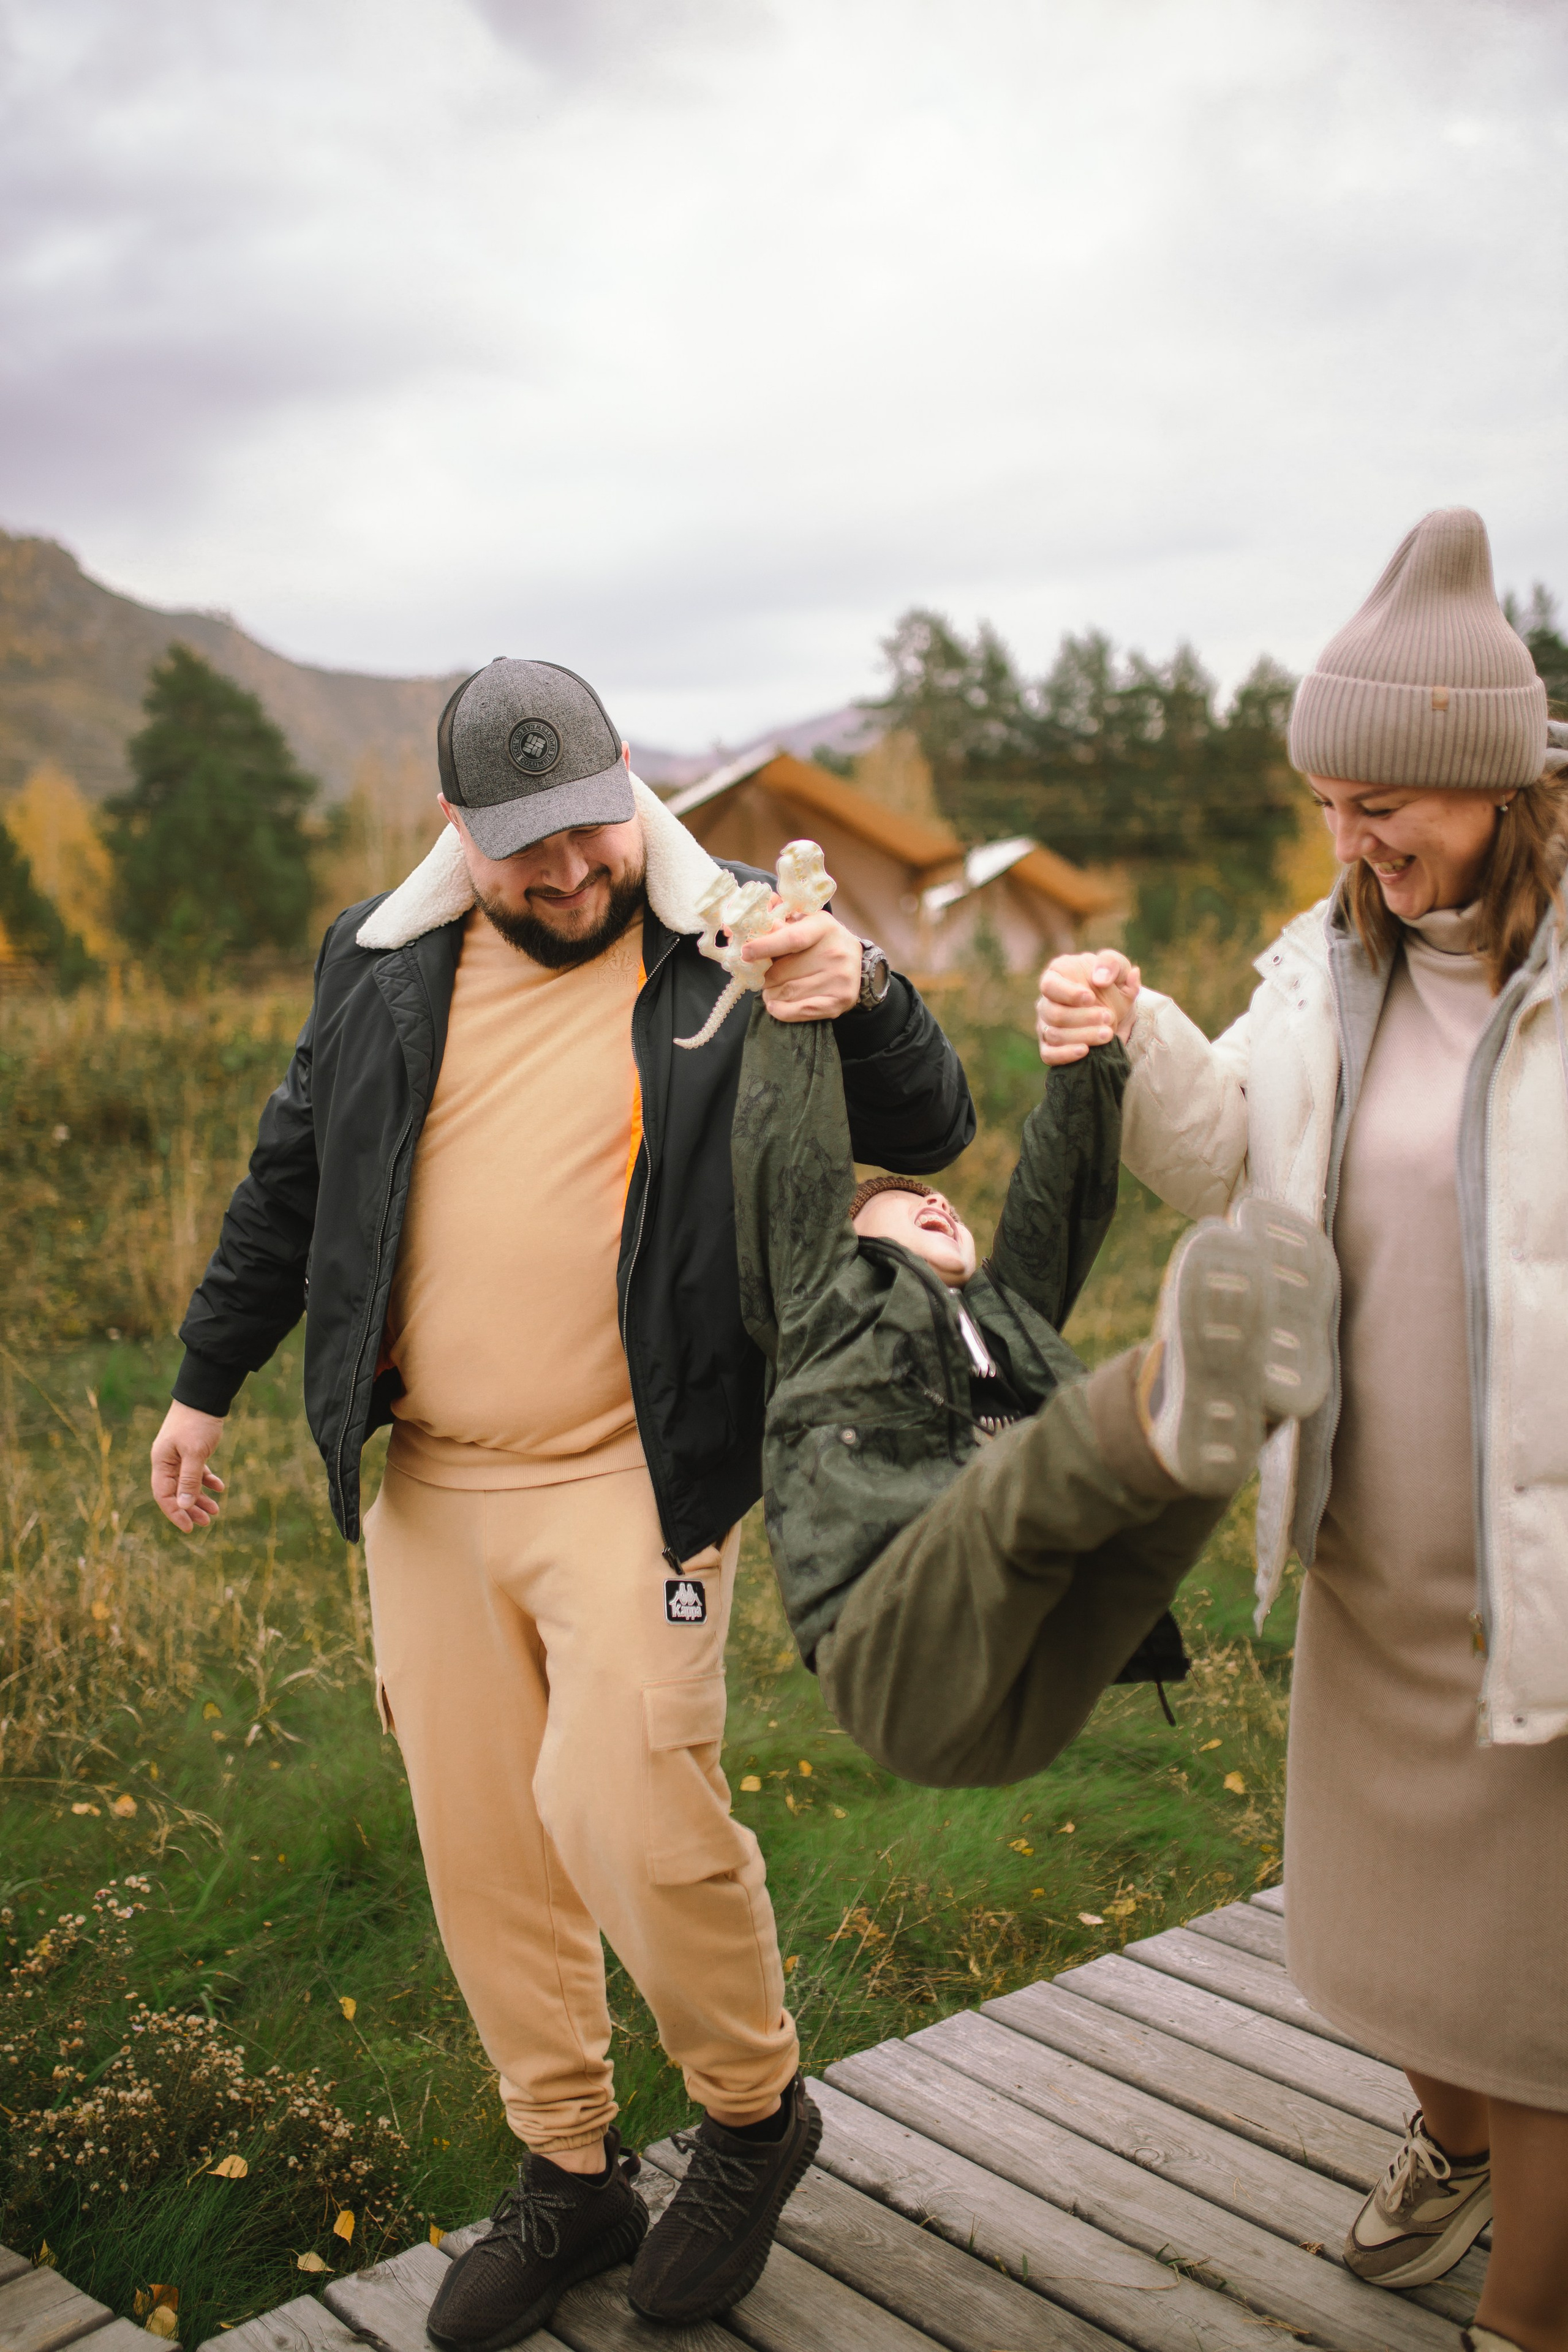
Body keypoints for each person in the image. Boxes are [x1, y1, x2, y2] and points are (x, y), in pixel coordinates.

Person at [146, 658, 975, 2339]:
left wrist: (858, 984)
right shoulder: (380, 969)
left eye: (592, 828)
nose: (573, 873)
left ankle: (751, 2117)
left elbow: (929, 1121)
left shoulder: (733, 929)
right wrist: (200, 1380)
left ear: (627, 792)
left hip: (639, 1477)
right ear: (458, 831)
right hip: (435, 1485)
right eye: (529, 849)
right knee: (484, 1844)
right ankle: (571, 2171)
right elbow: (290, 1180)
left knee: (623, 1804)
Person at [1035, 510, 1568, 2352]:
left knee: (1547, 1990)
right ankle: (1452, 2143)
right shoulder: (1328, 961)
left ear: (1493, 780)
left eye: (1385, 806)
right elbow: (1229, 1158)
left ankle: (1532, 2301)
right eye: (1333, 806)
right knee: (1404, 1950)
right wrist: (1130, 1037)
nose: (1354, 843)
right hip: (1370, 1552)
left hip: (1545, 1566)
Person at [731, 994, 1336, 1788]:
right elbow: (791, 1172)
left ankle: (1242, 1395)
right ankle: (1160, 1398)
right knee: (1020, 1483)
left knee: (1154, 1521)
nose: (936, 1203)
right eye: (907, 1211)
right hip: (898, 1655)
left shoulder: (1006, 1312)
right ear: (850, 1255)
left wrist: (1090, 1058)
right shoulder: (827, 1314)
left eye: (937, 1198)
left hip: (1040, 1672)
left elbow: (1061, 1190)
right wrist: (796, 1014)